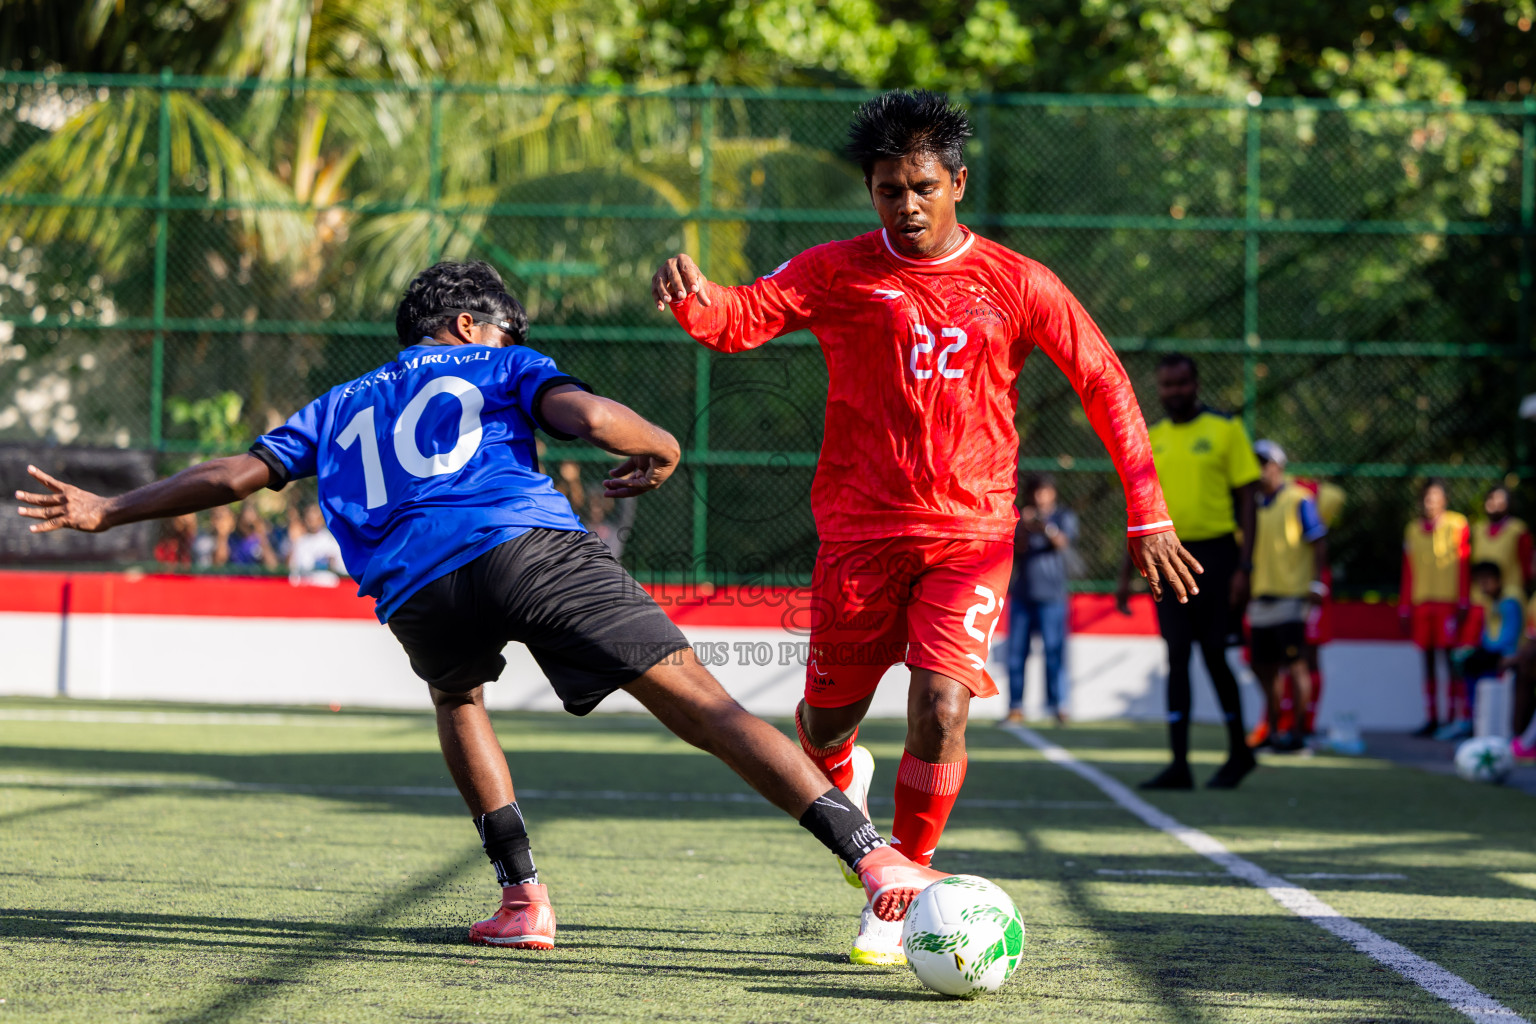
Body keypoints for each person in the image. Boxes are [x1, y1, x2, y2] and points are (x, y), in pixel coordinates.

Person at [14, 259, 947, 954]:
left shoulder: (337, 402)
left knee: (458, 702)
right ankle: (873, 857)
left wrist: (111, 507)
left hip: (417, 586)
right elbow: (584, 419)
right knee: (705, 705)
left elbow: (234, 475)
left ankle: (522, 900)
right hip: (523, 543)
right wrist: (660, 444)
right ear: (467, 323)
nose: (513, 339)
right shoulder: (499, 365)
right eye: (507, 328)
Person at [651, 90, 1198, 966]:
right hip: (860, 535)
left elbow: (1103, 381)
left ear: (957, 183)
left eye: (921, 187)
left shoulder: (1019, 282)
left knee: (942, 706)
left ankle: (906, 885)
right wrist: (691, 299)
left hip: (971, 533)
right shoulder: (837, 270)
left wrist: (1148, 510)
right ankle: (850, 788)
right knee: (827, 728)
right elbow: (737, 321)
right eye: (886, 189)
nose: (905, 205)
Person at [1115, 352, 1260, 790]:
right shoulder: (1150, 437)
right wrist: (1126, 572)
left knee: (1215, 653)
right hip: (1165, 557)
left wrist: (1245, 567)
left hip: (1217, 558)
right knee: (1177, 656)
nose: (1174, 391)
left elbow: (1249, 501)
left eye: (1181, 383)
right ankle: (1179, 764)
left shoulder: (1226, 430)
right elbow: (1139, 510)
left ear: (1195, 384)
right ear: (1158, 389)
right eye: (1166, 385)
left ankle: (1239, 751)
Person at [1248, 472, 1344, 748]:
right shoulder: (1253, 503)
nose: (1260, 470)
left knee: (1300, 663)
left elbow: (1331, 506)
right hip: (1262, 596)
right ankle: (1276, 728)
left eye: (1266, 463)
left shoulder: (1301, 497)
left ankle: (1301, 732)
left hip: (1296, 597)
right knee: (1264, 665)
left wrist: (1316, 583)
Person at [1002, 473, 1078, 726]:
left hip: (1053, 597)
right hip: (1023, 596)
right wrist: (1024, 525)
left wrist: (1045, 525)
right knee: (1016, 655)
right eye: (1036, 491)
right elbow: (1016, 547)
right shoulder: (1022, 519)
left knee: (1054, 653)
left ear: (1053, 493)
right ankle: (1015, 707)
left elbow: (1062, 543)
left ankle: (1058, 705)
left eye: (1044, 491)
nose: (1040, 496)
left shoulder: (1062, 517)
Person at [1399, 479, 1470, 738]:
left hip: (1448, 603)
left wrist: (1463, 600)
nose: (1430, 502)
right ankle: (1432, 717)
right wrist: (1404, 606)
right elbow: (1408, 570)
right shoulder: (1413, 530)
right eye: (1426, 497)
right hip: (1421, 603)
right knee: (1426, 660)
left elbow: (1463, 564)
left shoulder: (1457, 524)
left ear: (1444, 500)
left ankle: (1452, 718)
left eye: (1435, 497)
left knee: (1450, 660)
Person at [1445, 561, 1523, 742]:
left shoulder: (1510, 600)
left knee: (1476, 664)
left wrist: (1495, 652)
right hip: (1494, 650)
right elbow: (1487, 634)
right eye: (1480, 582)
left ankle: (1477, 721)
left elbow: (1510, 636)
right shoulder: (1490, 601)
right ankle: (1471, 718)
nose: (1483, 586)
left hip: (1509, 653)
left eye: (1486, 581)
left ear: (1497, 580)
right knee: (1464, 660)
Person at [1471, 486, 1530, 603]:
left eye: (1499, 499)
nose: (1494, 503)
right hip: (1481, 598)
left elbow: (1526, 566)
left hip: (1508, 597)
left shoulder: (1518, 530)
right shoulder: (1478, 530)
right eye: (1491, 498)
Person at [288, 501, 346, 585]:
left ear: (321, 519)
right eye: (309, 518)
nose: (312, 521)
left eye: (314, 518)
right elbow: (294, 570)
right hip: (305, 587)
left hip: (326, 586)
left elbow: (341, 569)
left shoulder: (331, 542)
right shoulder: (301, 542)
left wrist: (332, 562)